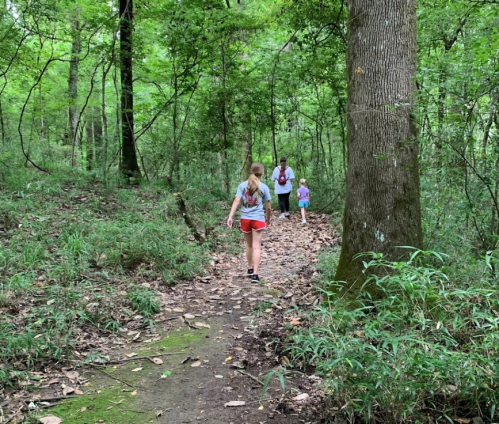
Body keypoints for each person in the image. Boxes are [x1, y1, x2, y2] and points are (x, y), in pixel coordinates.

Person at [227, 163, 271, 283]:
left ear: (251, 171)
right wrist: (268, 218)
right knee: (257, 247)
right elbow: (268, 206)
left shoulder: (242, 185)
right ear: (261, 173)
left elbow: (236, 201)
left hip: (245, 219)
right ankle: (255, 275)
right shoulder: (264, 187)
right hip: (258, 219)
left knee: (249, 244)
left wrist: (230, 217)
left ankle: (250, 268)